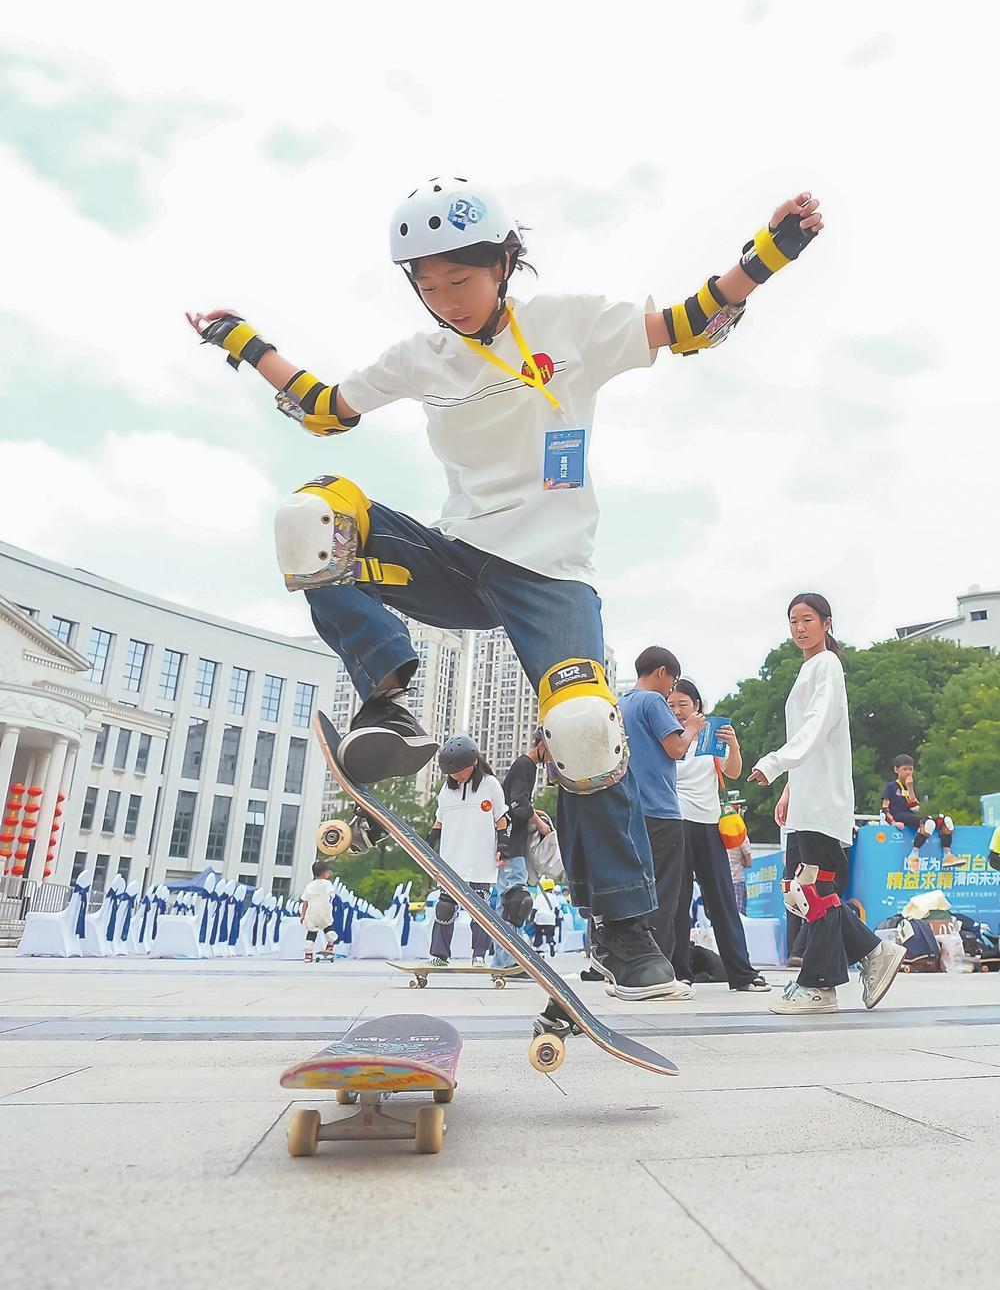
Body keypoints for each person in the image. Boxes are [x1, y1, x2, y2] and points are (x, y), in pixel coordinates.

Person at [188, 177, 822, 1000]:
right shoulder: (422, 357)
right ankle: (385, 694)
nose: (446, 300)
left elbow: (689, 320)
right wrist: (238, 337)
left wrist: (769, 252)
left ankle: (625, 932)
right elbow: (323, 407)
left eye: (461, 280)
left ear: (503, 265)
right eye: (428, 286)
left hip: (551, 576)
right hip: (456, 558)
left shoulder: (568, 325)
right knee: (310, 517)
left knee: (586, 730)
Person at [748, 593, 906, 1014]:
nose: (799, 628)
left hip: (824, 802)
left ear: (826, 623)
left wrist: (775, 764)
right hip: (807, 797)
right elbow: (811, 739)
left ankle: (819, 986)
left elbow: (817, 728)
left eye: (807, 620)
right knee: (802, 891)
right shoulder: (808, 669)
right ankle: (873, 952)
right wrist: (790, 788)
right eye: (793, 621)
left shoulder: (828, 666)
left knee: (815, 889)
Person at [668, 679, 770, 993]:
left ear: (697, 705)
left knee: (723, 899)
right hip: (678, 821)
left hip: (710, 823)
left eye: (683, 704)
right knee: (678, 900)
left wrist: (734, 745)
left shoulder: (711, 735)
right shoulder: (668, 737)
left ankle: (742, 973)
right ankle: (679, 972)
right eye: (671, 705)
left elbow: (733, 771)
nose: (677, 710)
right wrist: (687, 731)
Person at [619, 646, 704, 1000]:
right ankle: (660, 973)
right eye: (671, 683)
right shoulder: (652, 702)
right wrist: (693, 727)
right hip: (661, 810)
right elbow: (676, 749)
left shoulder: (621, 702)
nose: (671, 693)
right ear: (663, 673)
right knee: (665, 897)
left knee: (635, 896)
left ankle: (631, 972)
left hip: (629, 810)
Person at [427, 735, 507, 965]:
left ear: (473, 764)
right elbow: (439, 819)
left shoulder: (490, 784)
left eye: (459, 770)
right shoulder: (447, 790)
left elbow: (501, 817)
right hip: (451, 859)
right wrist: (430, 840)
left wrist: (503, 845)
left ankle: (479, 955)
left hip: (480, 859)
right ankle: (440, 955)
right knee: (444, 908)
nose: (455, 775)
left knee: (479, 910)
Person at [493, 727, 549, 972]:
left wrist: (536, 814)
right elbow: (518, 805)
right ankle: (510, 959)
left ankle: (505, 959)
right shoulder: (526, 765)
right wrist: (540, 825)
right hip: (511, 846)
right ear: (543, 745)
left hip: (510, 845)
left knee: (509, 902)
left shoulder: (527, 766)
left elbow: (519, 805)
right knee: (515, 902)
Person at [881, 755, 961, 873]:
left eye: (910, 769)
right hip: (899, 815)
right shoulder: (891, 787)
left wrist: (910, 788)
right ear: (896, 770)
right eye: (905, 769)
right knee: (928, 822)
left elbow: (915, 808)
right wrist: (893, 822)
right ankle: (913, 855)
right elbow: (884, 808)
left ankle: (947, 855)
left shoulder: (912, 786)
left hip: (910, 815)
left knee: (945, 820)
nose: (908, 772)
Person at [299, 861, 337, 963]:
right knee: (328, 927)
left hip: (312, 912)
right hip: (324, 911)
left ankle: (308, 955)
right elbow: (332, 895)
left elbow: (305, 902)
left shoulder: (310, 886)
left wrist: (303, 915)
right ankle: (330, 946)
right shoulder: (328, 884)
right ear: (325, 873)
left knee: (311, 933)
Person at [531, 880, 558, 957]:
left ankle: (539, 949)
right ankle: (551, 943)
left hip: (540, 918)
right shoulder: (554, 897)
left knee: (538, 934)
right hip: (550, 919)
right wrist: (555, 917)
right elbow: (556, 909)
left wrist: (531, 919)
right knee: (550, 935)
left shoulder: (539, 897)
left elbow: (534, 909)